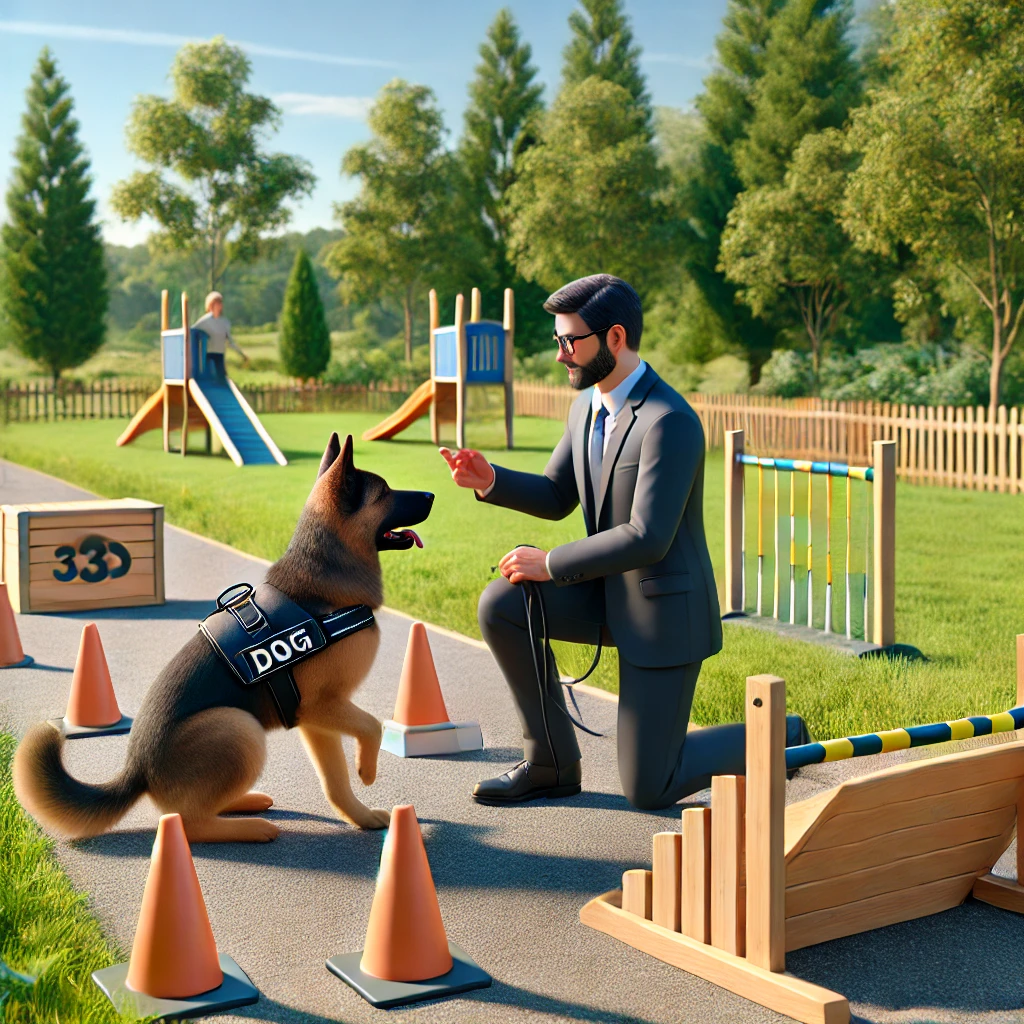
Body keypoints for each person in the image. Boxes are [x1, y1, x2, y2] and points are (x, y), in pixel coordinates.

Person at [440, 274, 808, 810]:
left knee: (648, 788)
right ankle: (550, 765)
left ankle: (781, 737)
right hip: (607, 596)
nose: (562, 356)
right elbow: (556, 494)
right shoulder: (586, 407)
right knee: (502, 602)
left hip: (662, 614)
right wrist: (490, 479)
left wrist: (551, 562)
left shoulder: (670, 421)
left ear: (614, 338)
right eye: (557, 341)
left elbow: (648, 537)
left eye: (571, 342)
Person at [193, 292, 249, 379]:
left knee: (221, 380)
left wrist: (241, 354)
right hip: (208, 356)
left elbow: (230, 342)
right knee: (209, 380)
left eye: (220, 302)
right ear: (211, 305)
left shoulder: (225, 322)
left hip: (220, 356)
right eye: (217, 302)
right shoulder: (204, 321)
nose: (220, 305)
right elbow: (192, 331)